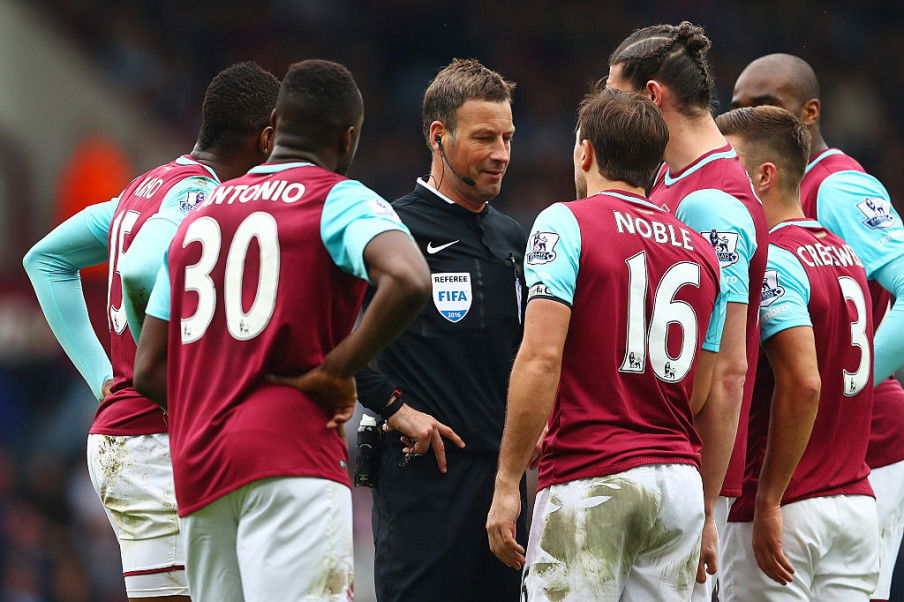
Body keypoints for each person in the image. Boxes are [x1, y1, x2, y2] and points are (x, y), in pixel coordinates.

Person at [132, 59, 431, 602]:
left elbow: (148, 368)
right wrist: (336, 371)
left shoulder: (201, 213)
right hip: (291, 457)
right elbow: (410, 279)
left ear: (275, 127)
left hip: (200, 468)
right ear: (348, 136)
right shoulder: (339, 197)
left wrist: (217, 400)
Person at [22, 62, 279, 601]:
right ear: (267, 136)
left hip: (136, 438)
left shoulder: (145, 189)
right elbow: (140, 269)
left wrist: (100, 376)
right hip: (150, 444)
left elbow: (46, 260)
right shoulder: (197, 199)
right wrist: (155, 368)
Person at [486, 87, 727, 601]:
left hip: (591, 478)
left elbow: (541, 356)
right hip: (679, 484)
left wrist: (508, 482)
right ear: (656, 165)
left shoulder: (566, 222)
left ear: (585, 151)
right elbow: (701, 390)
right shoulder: (704, 253)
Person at [352, 58, 527, 601]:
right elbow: (328, 339)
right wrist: (393, 408)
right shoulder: (391, 229)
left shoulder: (513, 239)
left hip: (505, 488)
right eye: (483, 138)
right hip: (424, 482)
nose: (501, 153)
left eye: (507, 137)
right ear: (439, 136)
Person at [730, 54, 904, 601]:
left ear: (810, 112)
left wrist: (850, 383)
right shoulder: (785, 205)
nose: (750, 118)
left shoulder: (838, 186)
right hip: (828, 455)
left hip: (857, 439)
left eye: (765, 106)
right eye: (739, 109)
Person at [606, 22, 769, 597]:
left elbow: (728, 369)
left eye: (614, 95)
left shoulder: (715, 201)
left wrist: (703, 502)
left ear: (652, 97)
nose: (606, 112)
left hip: (683, 467)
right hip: (645, 456)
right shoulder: (667, 183)